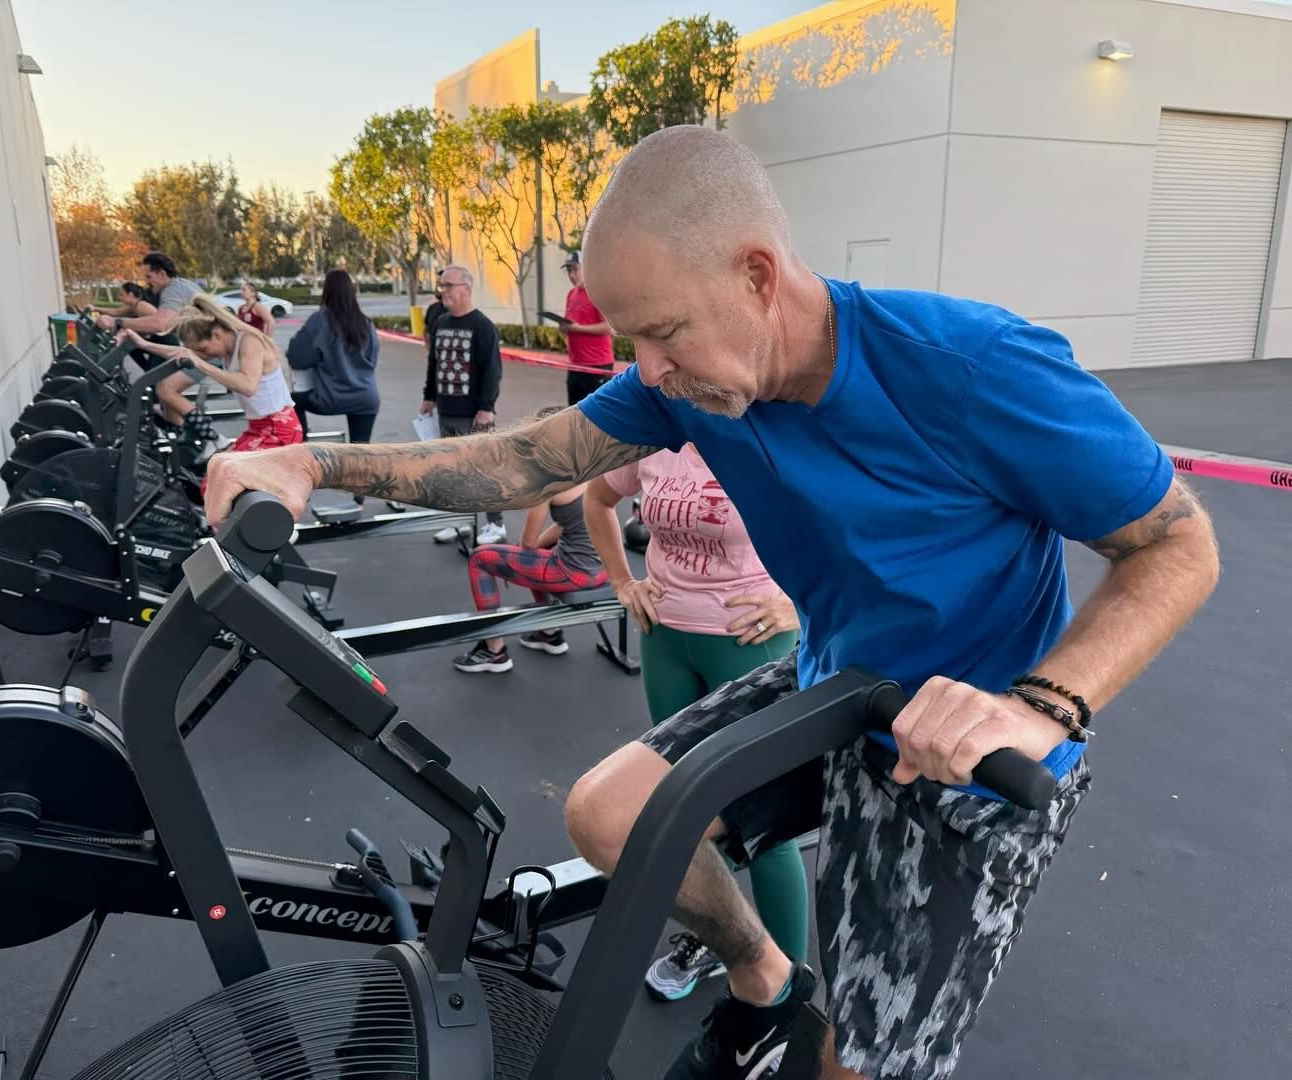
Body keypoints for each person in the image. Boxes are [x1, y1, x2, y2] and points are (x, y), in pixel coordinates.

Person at [202, 125, 1221, 1080]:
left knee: (857, 1066)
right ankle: (766, 980)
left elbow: (1178, 543)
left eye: (663, 333)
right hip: (839, 685)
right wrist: (310, 461)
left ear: (758, 274)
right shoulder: (692, 382)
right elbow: (523, 459)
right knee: (613, 814)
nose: (648, 371)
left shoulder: (972, 368)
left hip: (971, 748)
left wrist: (1040, 704)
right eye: (632, 342)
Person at [583, 444, 804, 1002]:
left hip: (747, 641)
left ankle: (787, 992)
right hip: (665, 638)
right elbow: (598, 497)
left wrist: (799, 605)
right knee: (688, 811)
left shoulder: (771, 431)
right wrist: (622, 583)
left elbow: (854, 527)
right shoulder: (655, 432)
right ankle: (721, 938)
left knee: (762, 825)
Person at [452, 406, 608, 674]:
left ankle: (494, 650)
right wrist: (537, 547)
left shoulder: (549, 479)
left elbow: (527, 542)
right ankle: (549, 633)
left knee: (480, 558)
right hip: (600, 570)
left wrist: (531, 547)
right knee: (541, 553)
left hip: (571, 572)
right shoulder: (592, 467)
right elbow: (569, 522)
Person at [120, 294, 302, 459]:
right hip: (259, 427)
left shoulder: (248, 341)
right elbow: (182, 352)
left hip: (279, 429)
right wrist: (142, 344)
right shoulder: (226, 349)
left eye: (203, 349)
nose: (202, 354)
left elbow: (248, 385)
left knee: (227, 477)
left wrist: (200, 363)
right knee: (213, 476)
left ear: (216, 335)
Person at [95, 252, 220, 455]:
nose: (147, 283)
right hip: (200, 348)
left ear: (162, 274)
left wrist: (118, 324)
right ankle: (188, 444)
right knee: (168, 403)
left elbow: (160, 323)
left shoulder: (172, 290)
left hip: (210, 351)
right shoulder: (180, 286)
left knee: (165, 389)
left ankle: (213, 438)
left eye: (149, 277)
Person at [420, 265, 505, 546]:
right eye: (441, 286)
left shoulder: (482, 326)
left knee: (483, 469)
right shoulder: (441, 322)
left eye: (448, 286)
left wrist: (486, 407)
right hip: (446, 410)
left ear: (466, 290)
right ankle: (460, 521)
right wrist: (429, 396)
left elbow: (492, 370)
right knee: (452, 469)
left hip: (475, 413)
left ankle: (496, 524)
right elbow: (434, 363)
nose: (442, 291)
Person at [287, 268, 381, 444]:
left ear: (327, 291)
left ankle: (302, 444)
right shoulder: (365, 323)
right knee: (361, 453)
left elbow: (296, 357)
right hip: (366, 397)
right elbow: (372, 360)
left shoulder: (320, 320)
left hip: (330, 398)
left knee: (290, 402)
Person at [559, 251, 616, 406]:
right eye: (568, 270)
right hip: (575, 364)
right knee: (573, 413)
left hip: (597, 365)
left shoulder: (597, 293)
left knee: (598, 417)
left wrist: (578, 329)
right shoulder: (571, 294)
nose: (571, 275)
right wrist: (565, 328)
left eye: (575, 269)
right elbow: (570, 324)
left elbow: (609, 327)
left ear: (586, 267)